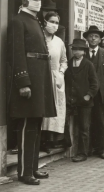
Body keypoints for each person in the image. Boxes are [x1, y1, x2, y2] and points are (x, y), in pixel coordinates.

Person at [7, 0, 56, 185]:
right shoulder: (19, 21)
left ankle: (33, 168)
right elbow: (16, 53)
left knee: (36, 124)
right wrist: (23, 81)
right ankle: (24, 172)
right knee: (28, 125)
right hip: (30, 81)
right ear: (24, 0)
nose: (38, 1)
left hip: (40, 79)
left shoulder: (34, 21)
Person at [65, 39, 99, 163]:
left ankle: (82, 153)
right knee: (63, 122)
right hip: (70, 100)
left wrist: (89, 95)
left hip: (84, 102)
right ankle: (66, 144)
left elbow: (95, 84)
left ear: (84, 51)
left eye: (79, 49)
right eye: (74, 49)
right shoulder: (68, 63)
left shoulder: (88, 65)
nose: (76, 51)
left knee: (84, 128)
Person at [84, 25, 104, 159]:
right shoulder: (83, 53)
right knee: (86, 122)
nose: (93, 38)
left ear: (100, 39)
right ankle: (87, 149)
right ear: (87, 39)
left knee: (101, 122)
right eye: (90, 36)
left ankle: (101, 149)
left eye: (96, 36)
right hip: (87, 94)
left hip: (101, 94)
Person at [41, 12, 68, 148]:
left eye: (57, 23)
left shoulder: (59, 42)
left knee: (55, 109)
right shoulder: (39, 38)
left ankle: (51, 140)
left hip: (56, 77)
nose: (54, 25)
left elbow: (64, 61)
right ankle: (41, 140)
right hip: (41, 77)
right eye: (52, 21)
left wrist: (61, 72)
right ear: (45, 22)